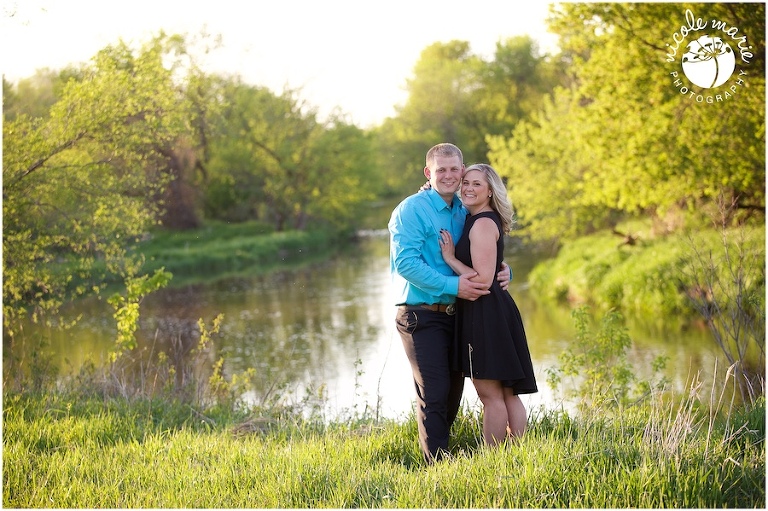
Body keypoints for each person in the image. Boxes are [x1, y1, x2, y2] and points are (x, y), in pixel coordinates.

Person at [388, 143, 511, 463]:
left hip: (460, 314)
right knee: (435, 392)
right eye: (440, 170)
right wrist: (453, 284)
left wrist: (503, 268)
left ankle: (446, 456)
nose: (449, 175)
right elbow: (406, 264)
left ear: (462, 170)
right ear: (428, 173)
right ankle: (437, 467)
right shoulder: (411, 209)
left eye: (454, 169)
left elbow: (484, 246)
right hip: (421, 314)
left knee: (453, 393)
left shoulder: (464, 207)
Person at [438, 163, 538, 447]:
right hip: (494, 311)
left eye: (476, 184)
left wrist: (450, 258)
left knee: (491, 395)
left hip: (485, 314)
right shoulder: (480, 218)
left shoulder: (482, 223)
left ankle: (493, 458)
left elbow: (482, 281)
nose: (468, 188)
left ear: (491, 192)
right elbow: (492, 268)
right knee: (507, 393)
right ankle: (518, 453)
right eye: (465, 182)